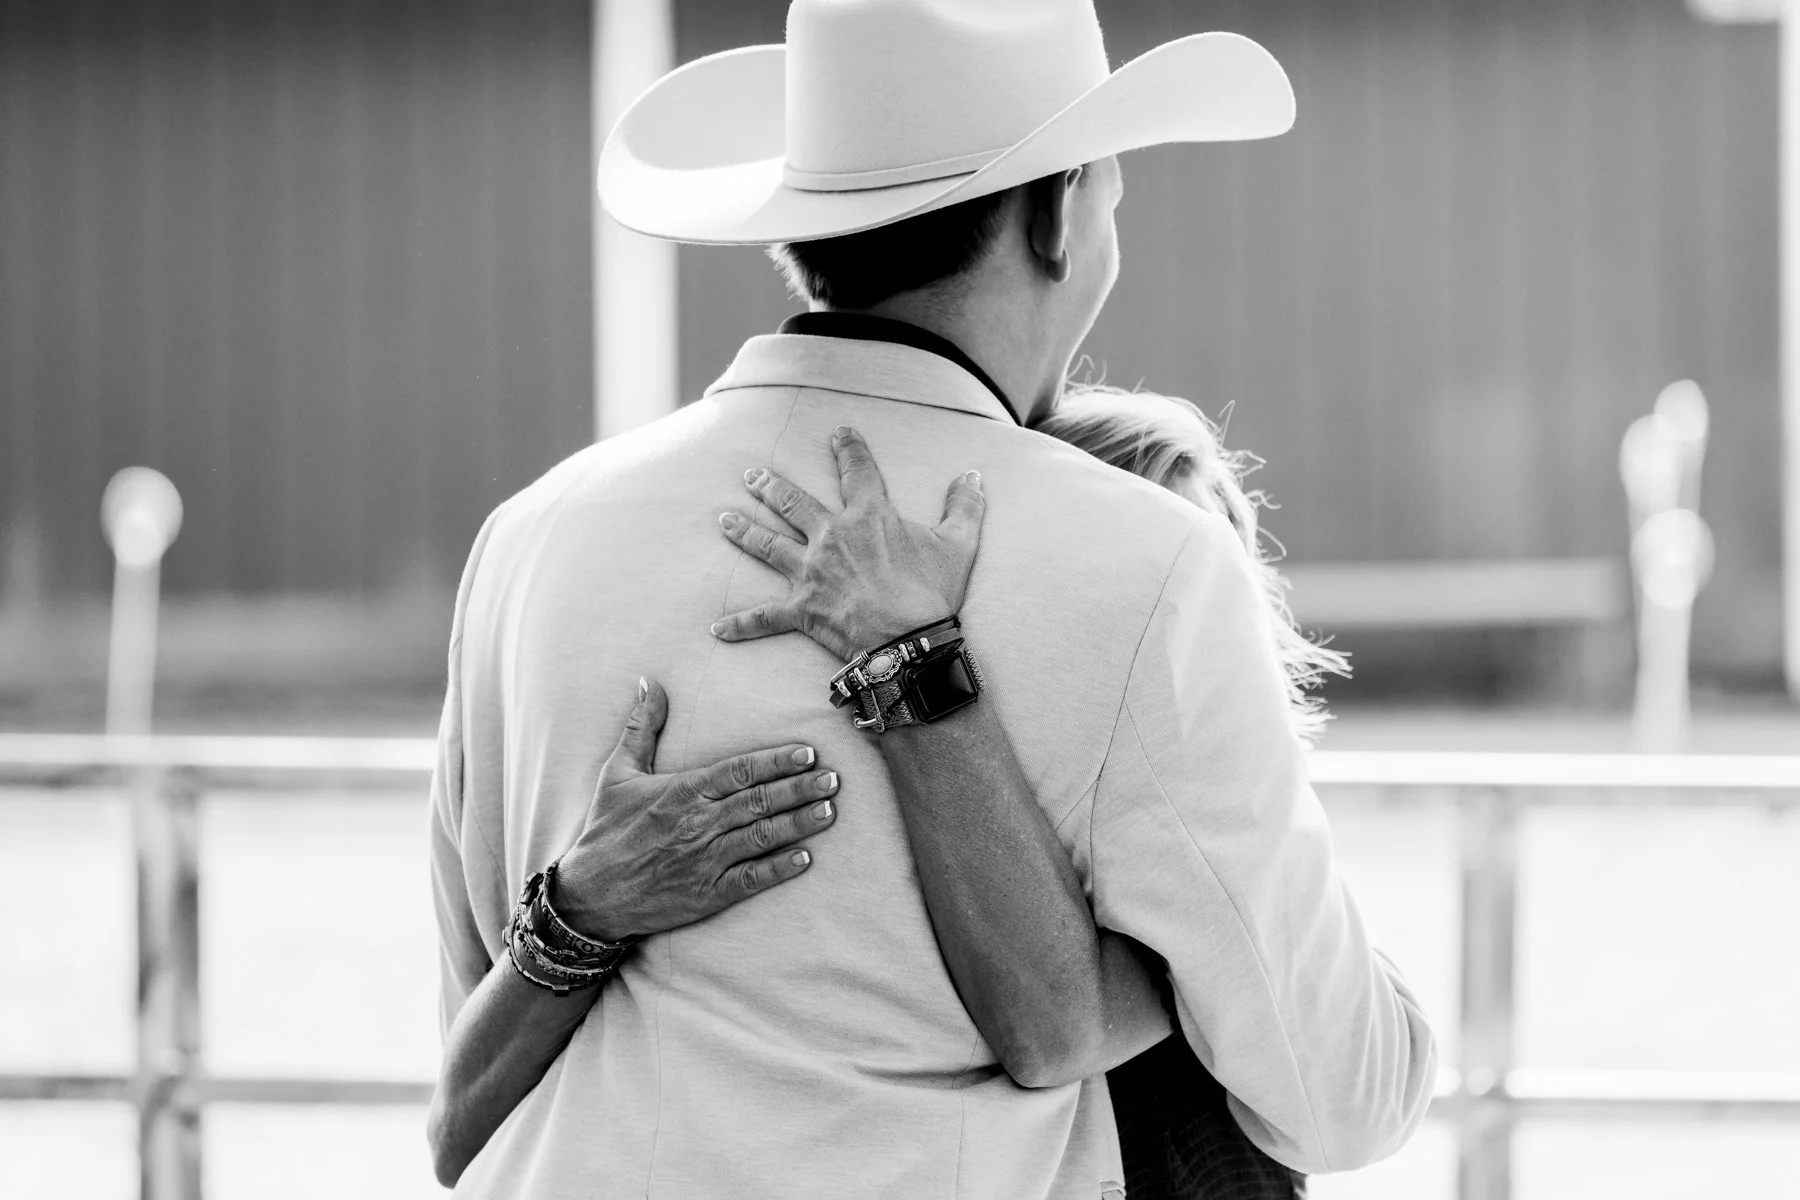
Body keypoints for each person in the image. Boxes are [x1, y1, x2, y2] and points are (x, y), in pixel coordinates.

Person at [428, 3, 1436, 1196]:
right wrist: (1173, 972)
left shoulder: (529, 539)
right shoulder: (1147, 563)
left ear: (806, 230)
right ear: (1058, 216)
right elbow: (1339, 1095)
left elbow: (475, 1057)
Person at [431, 384, 1345, 1200]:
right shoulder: (889, 848)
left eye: (1199, 588)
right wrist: (581, 906)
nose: (1172, 646)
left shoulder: (1237, 902)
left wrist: (902, 652)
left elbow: (1064, 1031)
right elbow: (457, 1126)